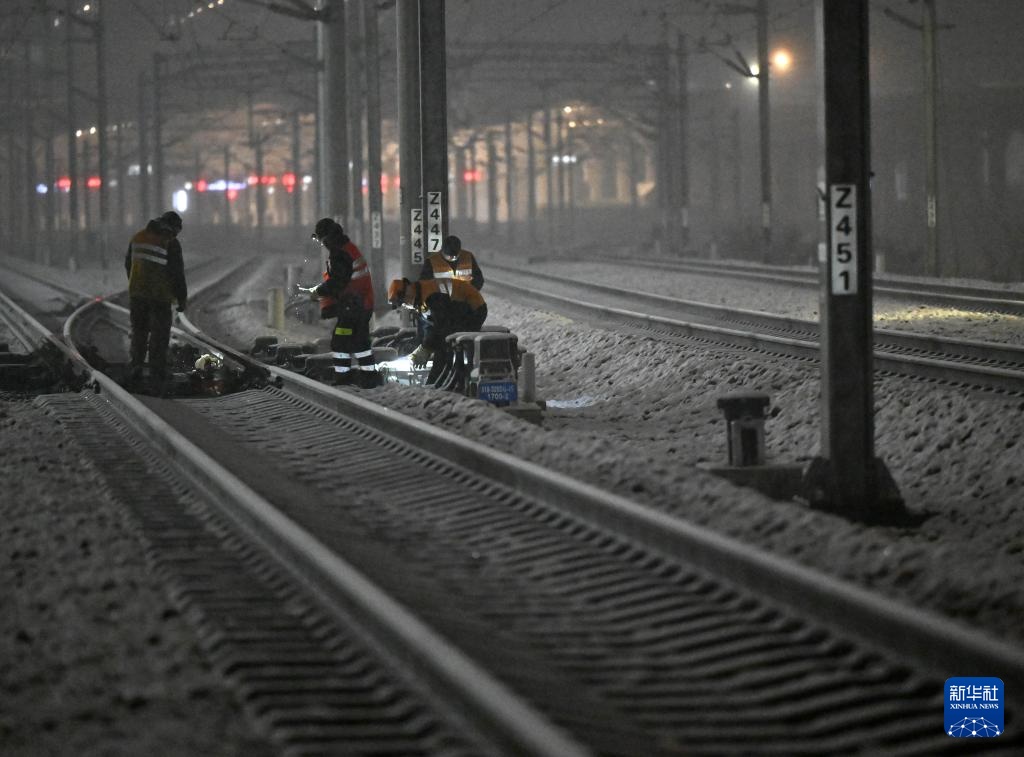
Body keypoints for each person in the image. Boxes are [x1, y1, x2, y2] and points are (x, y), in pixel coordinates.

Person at [310, 217, 378, 388]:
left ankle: (345, 379)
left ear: (326, 238)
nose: (321, 243)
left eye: (320, 239)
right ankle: (369, 378)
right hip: (360, 304)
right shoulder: (347, 248)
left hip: (354, 306)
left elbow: (338, 281)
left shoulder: (339, 253)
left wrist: (318, 292)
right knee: (360, 342)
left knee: (340, 341)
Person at [125, 210, 187, 388]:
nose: (176, 234)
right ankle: (156, 372)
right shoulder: (170, 242)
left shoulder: (138, 237)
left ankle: (136, 366)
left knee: (139, 331)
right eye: (177, 230)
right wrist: (181, 299)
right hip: (159, 296)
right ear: (172, 227)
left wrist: (136, 283)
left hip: (137, 293)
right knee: (159, 335)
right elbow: (177, 274)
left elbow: (128, 264)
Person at [387, 276, 487, 385]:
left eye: (402, 303)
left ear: (406, 292)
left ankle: (446, 381)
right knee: (439, 341)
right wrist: (419, 348)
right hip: (457, 310)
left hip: (473, 309)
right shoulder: (420, 299)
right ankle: (441, 379)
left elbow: (441, 326)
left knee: (446, 343)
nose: (404, 306)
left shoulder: (431, 295)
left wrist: (426, 348)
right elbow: (425, 329)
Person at [419, 234, 484, 290]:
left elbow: (478, 279)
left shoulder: (468, 257)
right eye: (449, 256)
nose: (453, 258)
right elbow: (424, 283)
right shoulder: (432, 261)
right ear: (442, 251)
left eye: (455, 255)